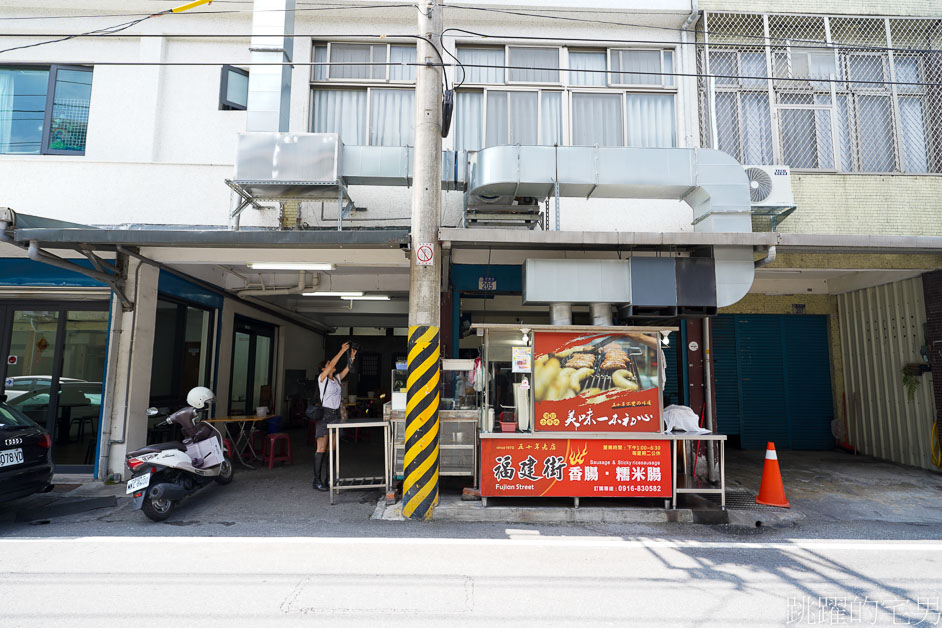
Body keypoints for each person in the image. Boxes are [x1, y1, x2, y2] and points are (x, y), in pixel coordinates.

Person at [313, 342, 357, 491]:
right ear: (324, 369)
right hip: (325, 416)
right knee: (321, 448)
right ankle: (316, 480)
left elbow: (347, 369)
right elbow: (333, 362)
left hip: (336, 416)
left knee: (332, 449)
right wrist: (342, 350)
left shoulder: (337, 379)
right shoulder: (322, 378)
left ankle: (329, 479)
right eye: (328, 364)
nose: (331, 365)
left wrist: (351, 357)